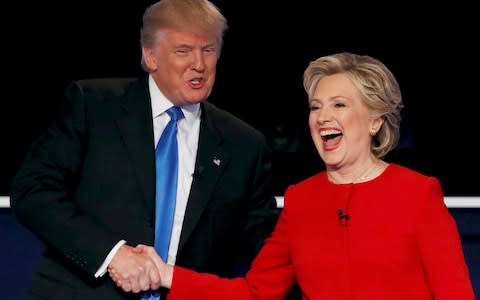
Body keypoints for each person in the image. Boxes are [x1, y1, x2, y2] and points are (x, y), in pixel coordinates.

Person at [114, 52, 476, 299]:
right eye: (316, 107)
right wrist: (167, 274)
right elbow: (255, 292)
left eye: (339, 104)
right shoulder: (302, 199)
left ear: (374, 121)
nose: (322, 117)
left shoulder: (417, 194)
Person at [9, 0, 280, 299]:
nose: (199, 64)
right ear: (150, 56)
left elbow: (267, 247)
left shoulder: (244, 144)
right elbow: (34, 191)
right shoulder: (93, 106)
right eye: (183, 51)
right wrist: (112, 254)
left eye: (209, 49)